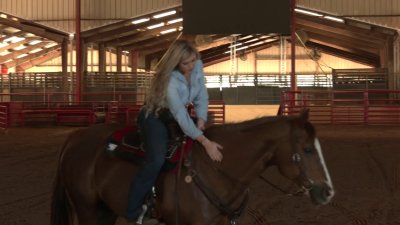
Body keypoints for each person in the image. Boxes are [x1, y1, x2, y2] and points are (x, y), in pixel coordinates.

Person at [126, 39, 223, 223]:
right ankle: (134, 210)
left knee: (207, 135)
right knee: (156, 159)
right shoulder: (169, 80)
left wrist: (201, 118)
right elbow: (180, 114)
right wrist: (204, 141)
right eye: (186, 63)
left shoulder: (197, 67)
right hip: (154, 115)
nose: (191, 65)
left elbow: (201, 93)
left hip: (174, 115)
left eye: (193, 60)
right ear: (176, 63)